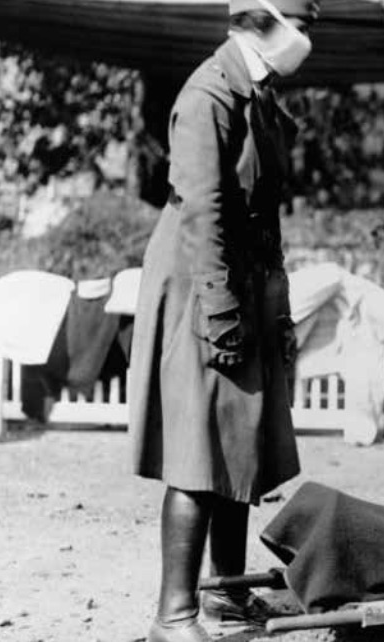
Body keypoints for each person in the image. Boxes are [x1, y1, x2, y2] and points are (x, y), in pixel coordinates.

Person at [127, 1, 319, 640]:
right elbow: (202, 212)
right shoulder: (209, 93)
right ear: (264, 20)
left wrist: (277, 306)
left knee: (239, 445)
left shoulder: (260, 95)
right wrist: (222, 311)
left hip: (243, 279)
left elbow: (266, 215)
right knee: (199, 454)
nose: (308, 38)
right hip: (200, 283)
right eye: (303, 23)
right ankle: (173, 616)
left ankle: (226, 598)